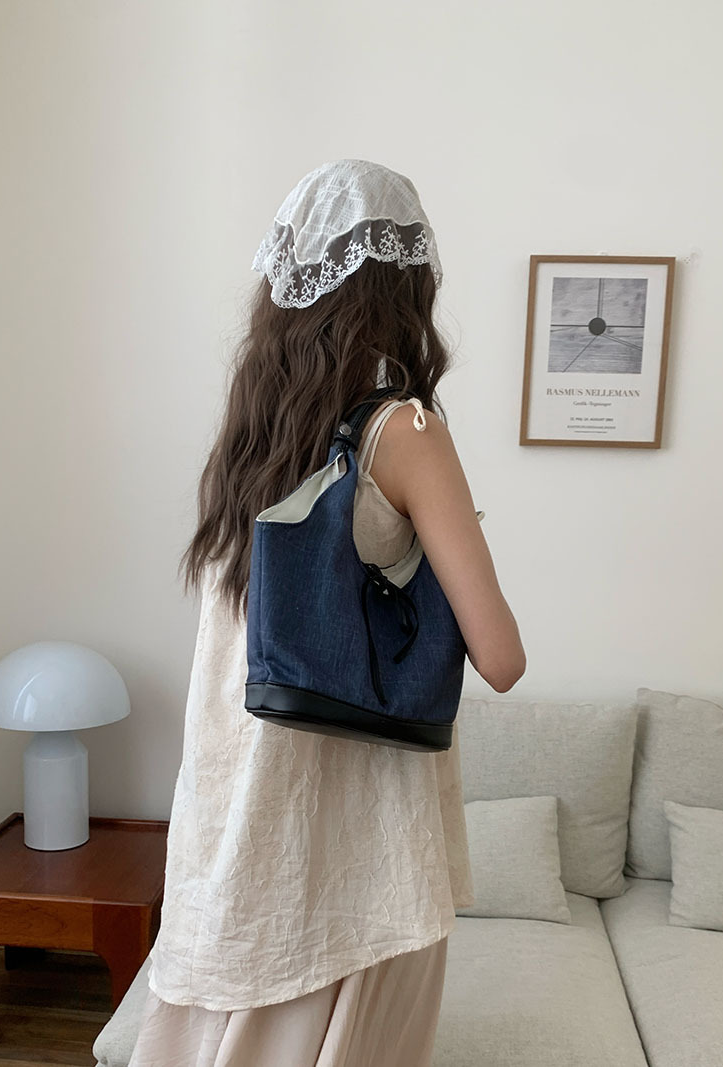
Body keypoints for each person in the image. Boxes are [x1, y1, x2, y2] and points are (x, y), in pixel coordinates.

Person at [127, 158, 526, 1067]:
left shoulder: (253, 436)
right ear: (405, 283)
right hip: (359, 857)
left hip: (241, 835)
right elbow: (501, 657)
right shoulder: (406, 432)